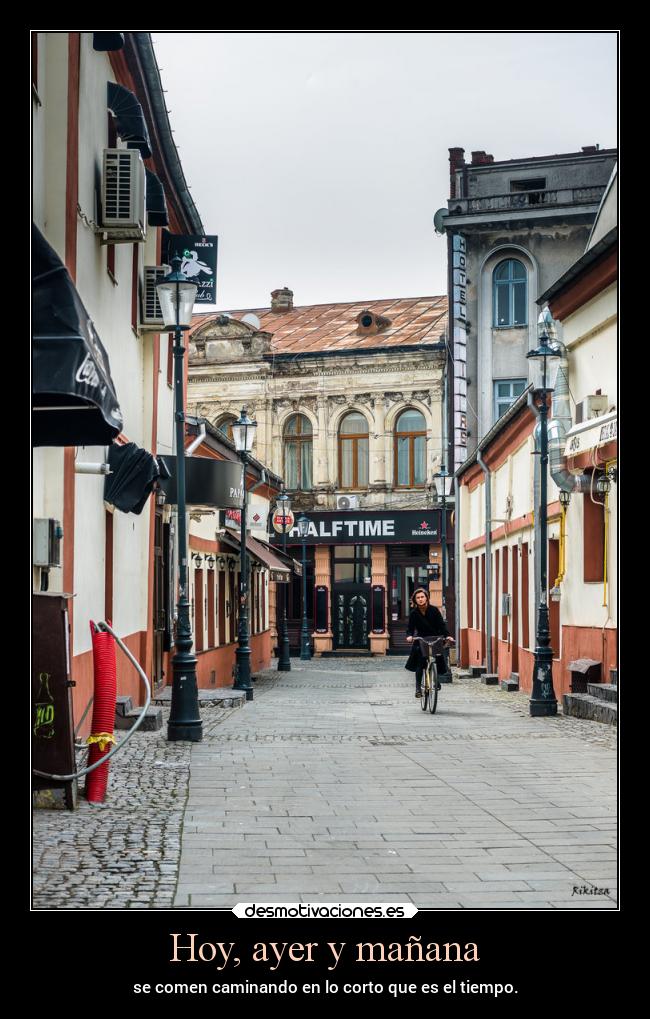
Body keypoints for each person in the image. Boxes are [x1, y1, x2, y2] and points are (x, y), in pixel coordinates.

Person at [405, 588, 454, 697]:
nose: (420, 599)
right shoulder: (414, 613)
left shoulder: (434, 610)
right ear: (415, 600)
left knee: (438, 657)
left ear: (426, 598)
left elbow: (442, 625)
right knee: (420, 662)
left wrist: (447, 636)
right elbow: (410, 628)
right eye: (418, 598)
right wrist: (409, 636)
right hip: (421, 639)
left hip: (435, 638)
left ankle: (436, 679)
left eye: (422, 597)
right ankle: (418, 688)